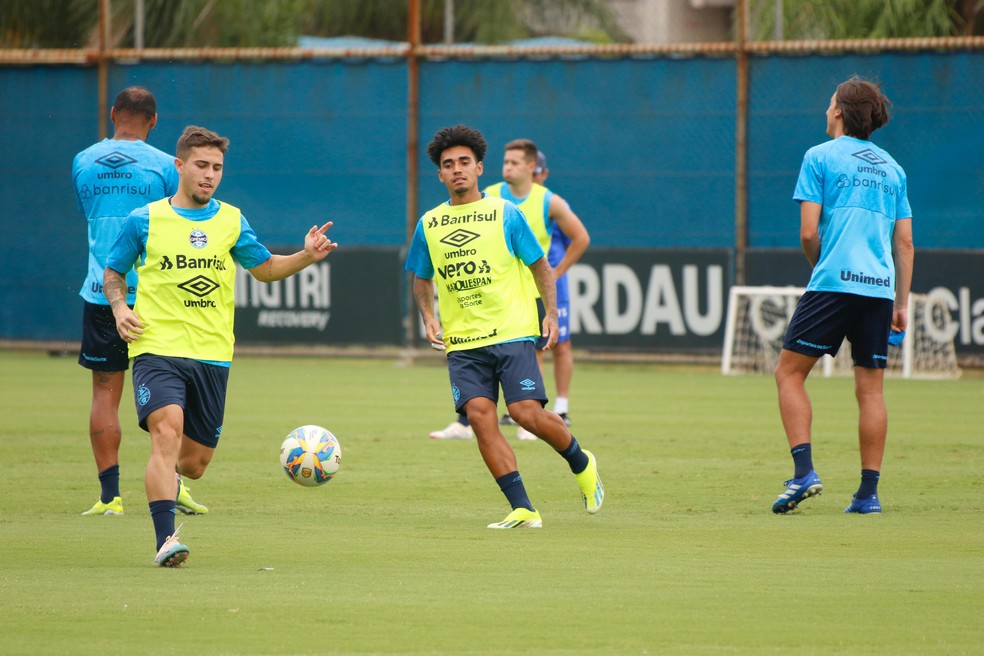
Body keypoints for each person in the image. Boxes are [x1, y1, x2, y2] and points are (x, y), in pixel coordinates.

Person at [104, 125, 338, 565]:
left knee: (192, 464)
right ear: (180, 166)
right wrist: (119, 309)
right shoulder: (145, 219)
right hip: (157, 347)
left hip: (212, 354)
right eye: (201, 166)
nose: (209, 175)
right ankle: (166, 540)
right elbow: (113, 273)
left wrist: (306, 255)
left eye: (217, 168)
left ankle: (171, 480)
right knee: (165, 432)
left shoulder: (231, 220)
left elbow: (265, 269)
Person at [406, 124, 603, 528]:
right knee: (479, 416)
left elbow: (540, 266)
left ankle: (582, 462)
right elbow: (420, 278)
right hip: (462, 342)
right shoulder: (429, 224)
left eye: (464, 162)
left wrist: (550, 314)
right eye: (448, 165)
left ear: (479, 168)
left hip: (512, 332)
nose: (457, 169)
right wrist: (429, 316)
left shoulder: (505, 214)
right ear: (439, 175)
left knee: (526, 413)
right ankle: (523, 508)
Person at [771, 76, 914, 515]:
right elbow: (904, 244)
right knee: (870, 391)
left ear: (838, 112)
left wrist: (820, 265)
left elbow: (809, 231)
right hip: (879, 291)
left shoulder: (820, 157)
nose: (826, 107)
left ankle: (804, 472)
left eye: (829, 101)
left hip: (834, 282)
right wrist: (901, 303)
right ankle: (868, 495)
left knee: (789, 374)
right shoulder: (893, 169)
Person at [73, 86, 207, 517]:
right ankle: (174, 486)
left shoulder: (82, 161)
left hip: (102, 294)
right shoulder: (166, 165)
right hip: (157, 296)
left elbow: (92, 216)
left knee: (104, 394)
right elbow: (179, 212)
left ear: (113, 114)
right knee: (173, 397)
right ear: (154, 121)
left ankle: (110, 497)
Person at [429, 141, 589, 441]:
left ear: (532, 167)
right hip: (506, 291)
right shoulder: (493, 195)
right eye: (505, 162)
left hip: (541, 287)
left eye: (515, 162)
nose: (508, 167)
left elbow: (580, 237)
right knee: (482, 347)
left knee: (556, 345)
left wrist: (559, 271)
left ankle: (558, 409)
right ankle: (467, 421)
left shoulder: (548, 200)